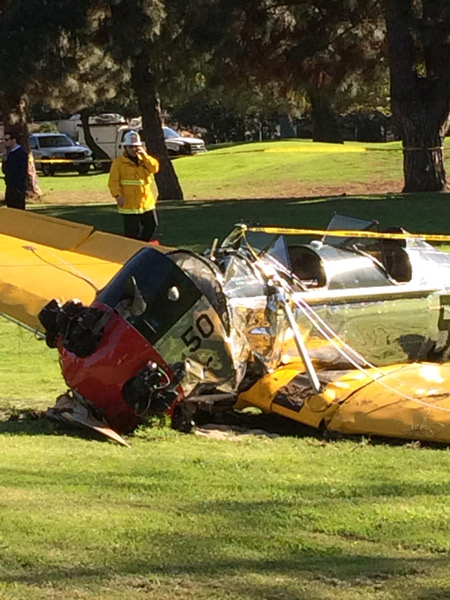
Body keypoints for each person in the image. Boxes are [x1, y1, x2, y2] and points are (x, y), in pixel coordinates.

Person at [108, 130, 160, 241]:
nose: (134, 149)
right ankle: (132, 252)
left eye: (136, 146)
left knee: (151, 226)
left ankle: (141, 246)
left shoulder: (144, 160)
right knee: (132, 233)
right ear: (125, 148)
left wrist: (145, 155)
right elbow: (113, 182)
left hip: (146, 203)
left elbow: (155, 168)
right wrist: (118, 196)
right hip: (129, 205)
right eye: (131, 147)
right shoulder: (118, 163)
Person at [2, 129, 28, 210]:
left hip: (18, 188)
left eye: (7, 140)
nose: (5, 142)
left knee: (18, 211)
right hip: (10, 187)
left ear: (14, 140)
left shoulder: (21, 153)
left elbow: (21, 172)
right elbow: (5, 170)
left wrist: (18, 188)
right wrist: (5, 160)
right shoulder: (9, 153)